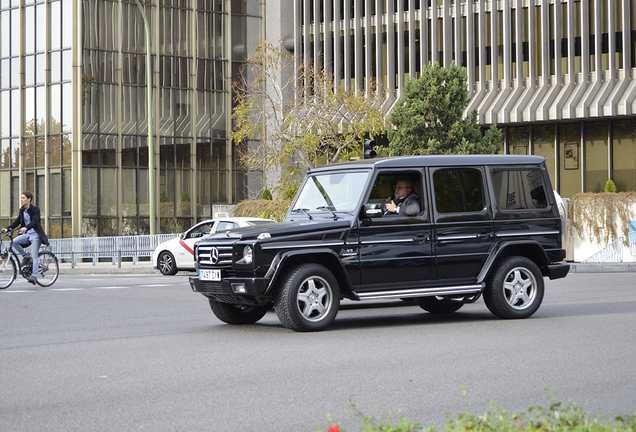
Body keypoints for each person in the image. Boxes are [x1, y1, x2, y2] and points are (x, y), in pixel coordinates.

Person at [1, 191, 50, 285]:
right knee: (14, 242)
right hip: (27, 235)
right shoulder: (22, 210)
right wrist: (7, 229)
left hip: (36, 235)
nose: (21, 200)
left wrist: (26, 227)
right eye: (21, 198)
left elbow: (35, 222)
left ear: (29, 199)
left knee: (34, 255)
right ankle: (26, 257)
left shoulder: (35, 209)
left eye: (23, 198)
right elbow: (16, 222)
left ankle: (34, 276)